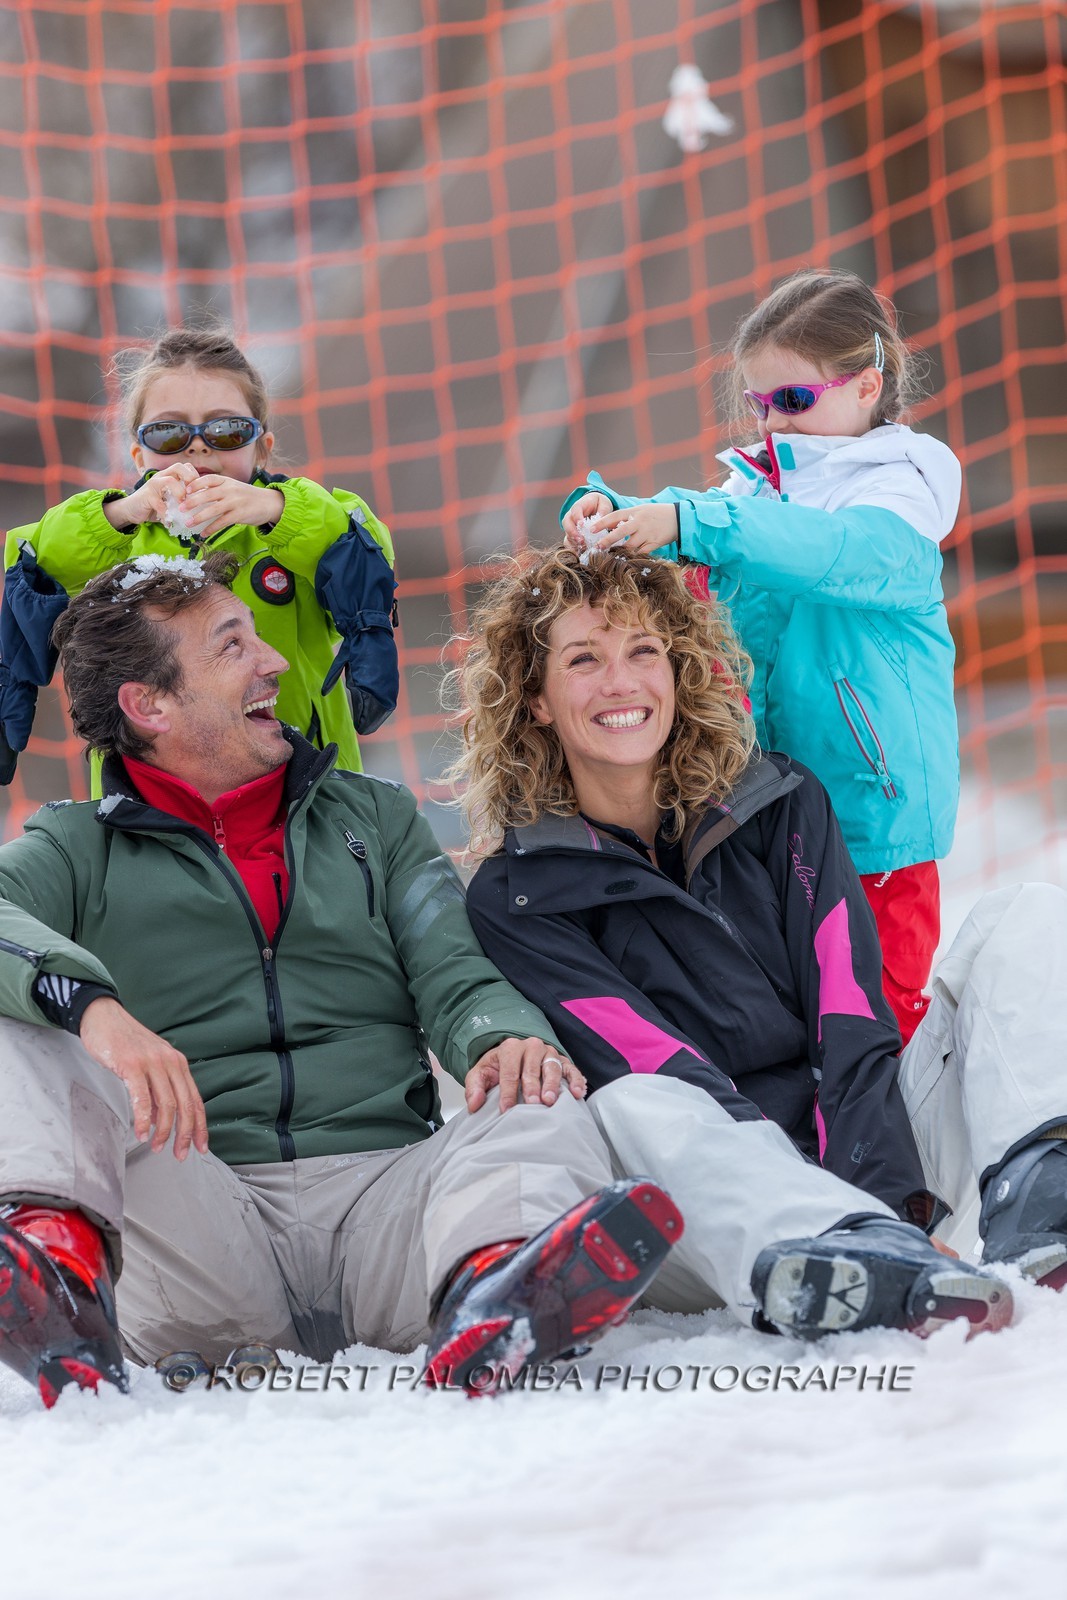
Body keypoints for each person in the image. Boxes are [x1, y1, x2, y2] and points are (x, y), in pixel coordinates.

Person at [0, 552, 685, 1408]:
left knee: (535, 1085)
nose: (274, 662)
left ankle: (495, 1295)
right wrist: (92, 1007)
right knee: (24, 1023)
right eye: (231, 646)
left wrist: (499, 1034)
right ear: (151, 705)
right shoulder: (76, 846)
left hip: (385, 1209)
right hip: (201, 1223)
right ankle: (53, 1280)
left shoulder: (374, 817)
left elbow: (454, 968)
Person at [451, 548, 1067, 1338]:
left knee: (1022, 915)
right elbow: (659, 1067)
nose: (621, 682)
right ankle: (848, 1257)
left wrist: (886, 1203)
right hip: (716, 1216)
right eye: (583, 659)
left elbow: (851, 1023)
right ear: (534, 699)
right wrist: (844, 1217)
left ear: (676, 671)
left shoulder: (779, 800)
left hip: (870, 1156)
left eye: (643, 651)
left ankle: (1041, 1216)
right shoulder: (516, 894)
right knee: (640, 1102)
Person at [560, 269, 959, 1044]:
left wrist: (688, 522)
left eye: (793, 400)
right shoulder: (748, 494)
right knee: (786, 1027)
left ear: (866, 386)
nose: (772, 422)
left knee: (878, 1027)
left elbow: (832, 551)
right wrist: (608, 511)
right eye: (757, 403)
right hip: (760, 813)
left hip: (872, 821)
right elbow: (703, 529)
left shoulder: (900, 494)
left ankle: (895, 1161)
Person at [1, 325, 398, 792]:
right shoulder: (116, 541)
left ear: (262, 447)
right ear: (139, 455)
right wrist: (123, 512)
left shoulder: (292, 531)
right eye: (169, 433)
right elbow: (34, 560)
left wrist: (276, 509)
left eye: (226, 430)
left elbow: (364, 551)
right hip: (150, 806)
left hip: (298, 793)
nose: (198, 446)